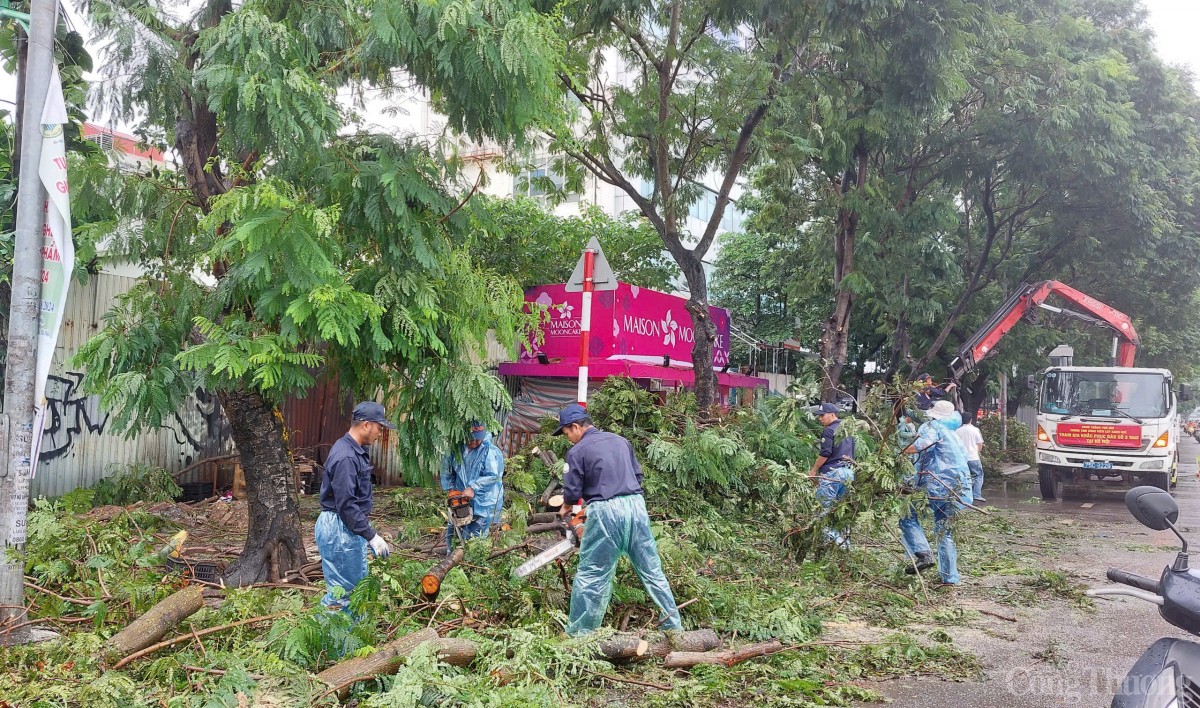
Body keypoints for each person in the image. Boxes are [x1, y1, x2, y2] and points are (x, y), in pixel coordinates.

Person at [553, 403, 682, 636]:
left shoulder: (577, 451)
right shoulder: (621, 441)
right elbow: (638, 476)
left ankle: (580, 635)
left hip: (606, 511)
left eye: (566, 433)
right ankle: (674, 628)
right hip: (636, 506)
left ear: (575, 427)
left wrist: (566, 507)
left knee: (592, 574)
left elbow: (572, 491)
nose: (568, 439)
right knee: (652, 570)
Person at [315, 402, 394, 611]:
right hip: (339, 527)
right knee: (342, 595)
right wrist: (371, 535)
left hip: (346, 526)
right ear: (366, 425)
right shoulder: (347, 457)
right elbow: (346, 505)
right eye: (379, 428)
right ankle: (331, 632)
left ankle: (352, 631)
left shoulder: (353, 450)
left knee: (353, 589)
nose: (380, 434)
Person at [898, 400, 972, 587]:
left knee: (907, 515)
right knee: (945, 531)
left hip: (935, 485)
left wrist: (902, 452)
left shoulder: (932, 426)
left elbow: (923, 444)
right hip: (956, 489)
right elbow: (964, 458)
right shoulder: (953, 434)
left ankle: (923, 553)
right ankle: (949, 578)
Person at [440, 420, 505, 552]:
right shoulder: (456, 449)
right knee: (454, 530)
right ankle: (452, 557)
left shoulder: (490, 452)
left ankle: (470, 560)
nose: (474, 442)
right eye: (471, 439)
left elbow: (493, 476)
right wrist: (451, 489)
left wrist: (473, 488)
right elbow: (447, 470)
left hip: (484, 501)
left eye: (478, 439)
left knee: (475, 536)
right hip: (461, 497)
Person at [808, 402, 855, 548]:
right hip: (848, 473)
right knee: (841, 509)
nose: (820, 418)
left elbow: (825, 453)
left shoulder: (829, 431)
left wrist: (814, 470)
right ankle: (844, 544)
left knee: (824, 508)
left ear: (832, 414)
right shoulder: (848, 429)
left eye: (822, 415)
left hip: (833, 474)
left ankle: (827, 544)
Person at [956, 413, 986, 503]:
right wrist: (978, 452)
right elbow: (979, 444)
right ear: (971, 419)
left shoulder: (957, 431)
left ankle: (963, 495)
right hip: (973, 457)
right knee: (978, 475)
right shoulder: (975, 430)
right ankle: (976, 495)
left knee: (964, 476)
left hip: (962, 458)